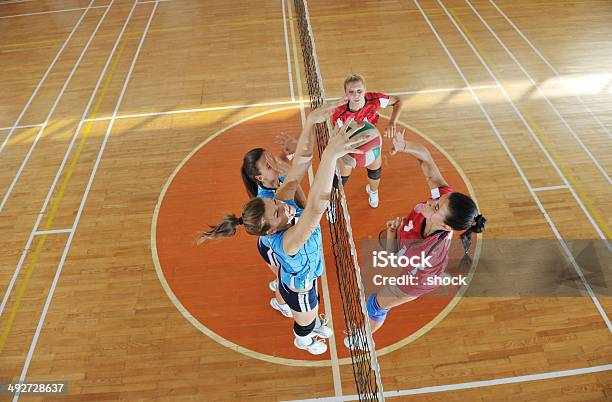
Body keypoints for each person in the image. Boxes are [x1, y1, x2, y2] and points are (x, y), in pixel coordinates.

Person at [197, 104, 373, 355]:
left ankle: (308, 319)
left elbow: (297, 172)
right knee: (305, 314)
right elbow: (313, 209)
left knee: (310, 302)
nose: (284, 206)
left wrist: (311, 121)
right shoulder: (284, 238)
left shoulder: (277, 200)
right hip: (295, 278)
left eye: (277, 203)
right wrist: (330, 157)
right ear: (271, 229)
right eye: (278, 211)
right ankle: (304, 338)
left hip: (303, 271)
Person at [345, 128, 486, 349]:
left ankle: (362, 341)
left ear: (445, 225)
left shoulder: (423, 249)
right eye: (440, 198)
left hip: (416, 280)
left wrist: (392, 232)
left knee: (375, 305)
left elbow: (392, 256)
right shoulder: (443, 204)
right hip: (416, 257)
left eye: (436, 206)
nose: (431, 201)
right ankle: (440, 274)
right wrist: (404, 147)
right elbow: (427, 160)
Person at [240, 148, 307, 318]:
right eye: (268, 166)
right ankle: (280, 303)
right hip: (270, 248)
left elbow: (301, 204)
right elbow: (303, 209)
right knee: (283, 279)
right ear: (260, 178)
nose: (274, 165)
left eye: (271, 159)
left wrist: (286, 159)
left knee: (284, 274)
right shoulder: (270, 200)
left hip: (278, 240)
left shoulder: (279, 179)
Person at [331, 73, 403, 208]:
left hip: (371, 143)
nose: (356, 95)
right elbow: (336, 135)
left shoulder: (374, 99)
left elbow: (398, 101)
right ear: (345, 93)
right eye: (351, 92)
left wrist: (392, 122)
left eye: (359, 91)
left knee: (375, 171)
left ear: (365, 90)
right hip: (349, 145)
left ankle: (373, 191)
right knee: (341, 178)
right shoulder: (340, 113)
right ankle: (334, 202)